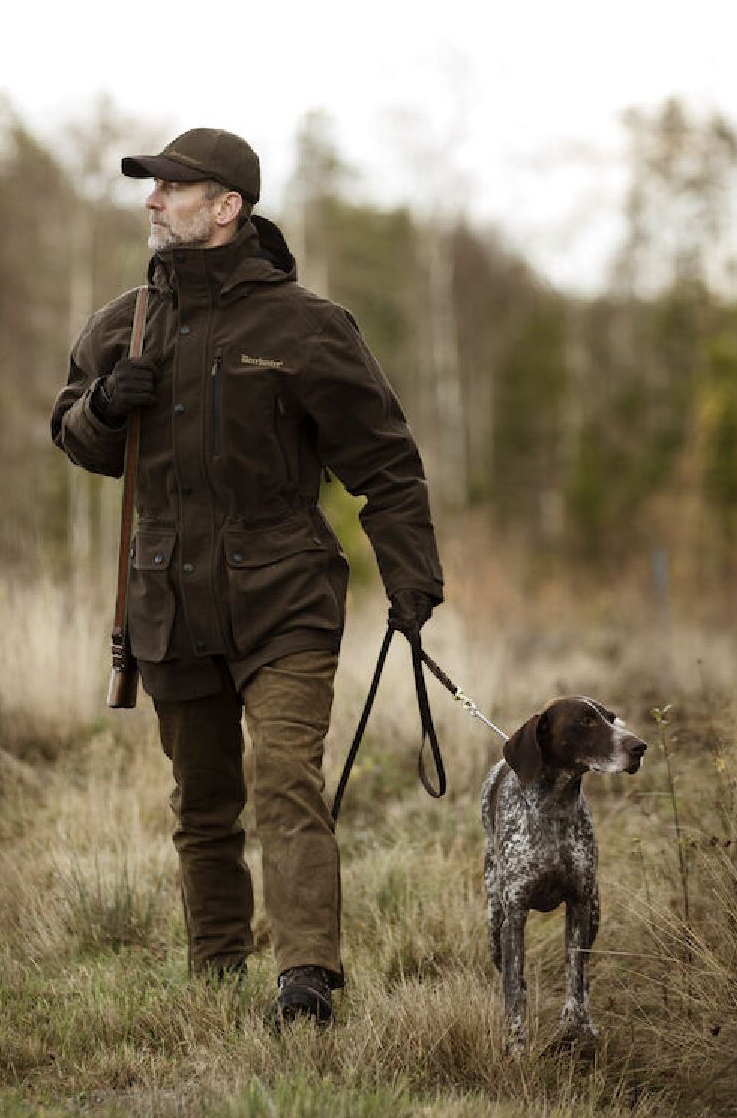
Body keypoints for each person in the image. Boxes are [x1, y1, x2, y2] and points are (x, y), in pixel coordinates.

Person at [51, 127, 443, 1024]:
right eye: (152, 187)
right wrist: (105, 405)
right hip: (167, 603)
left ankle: (307, 979)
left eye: (171, 188)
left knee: (286, 783)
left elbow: (385, 461)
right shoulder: (119, 324)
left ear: (226, 207)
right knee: (203, 804)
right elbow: (73, 436)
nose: (153, 201)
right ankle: (218, 972)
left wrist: (412, 580)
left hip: (285, 599)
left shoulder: (307, 326)